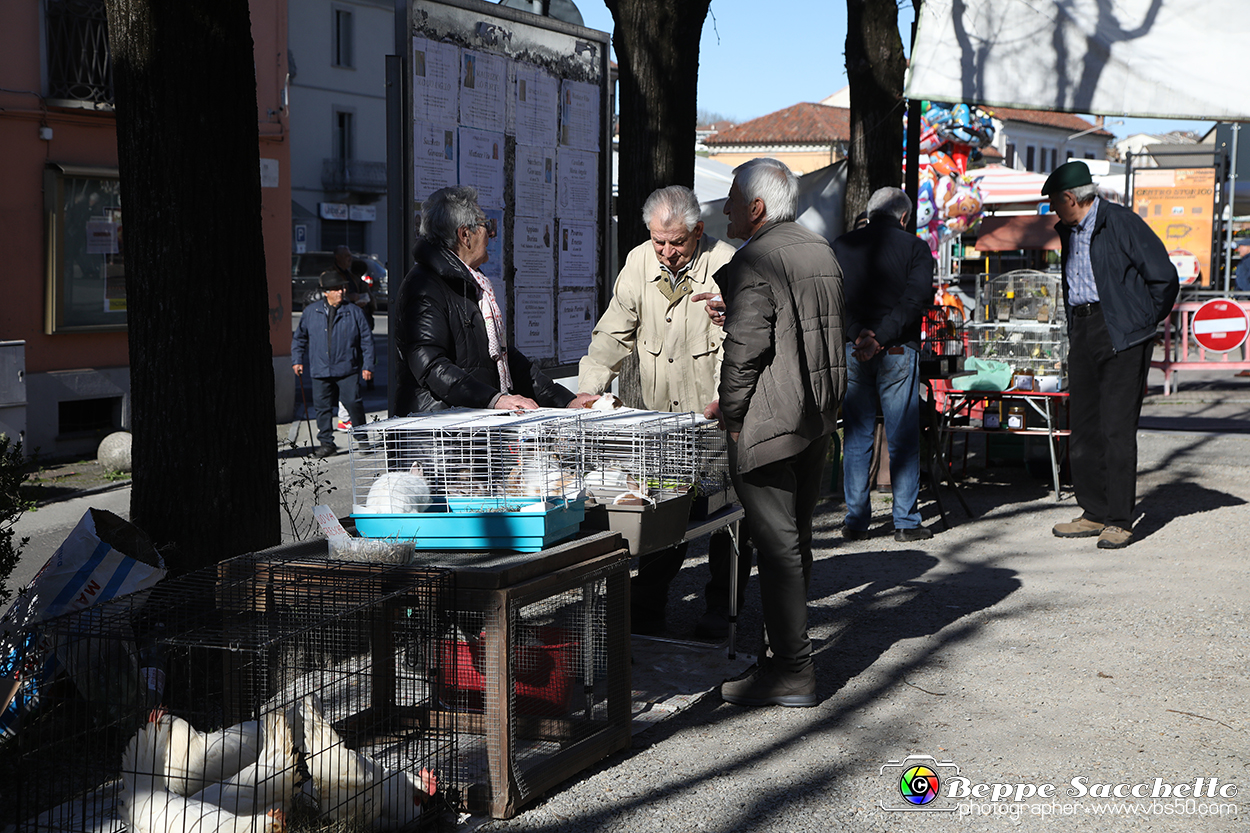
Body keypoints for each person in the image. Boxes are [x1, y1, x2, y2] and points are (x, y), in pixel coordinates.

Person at [706, 158, 845, 707]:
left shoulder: (755, 258)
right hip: (814, 415)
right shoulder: (818, 247)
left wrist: (734, 419)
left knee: (779, 547)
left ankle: (792, 670)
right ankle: (782, 661)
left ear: (757, 209)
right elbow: (801, 324)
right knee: (796, 543)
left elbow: (744, 356)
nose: (725, 209)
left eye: (734, 199)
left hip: (770, 419)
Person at [575, 185, 741, 638]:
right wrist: (590, 389)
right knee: (659, 511)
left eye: (677, 242)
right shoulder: (637, 262)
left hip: (714, 421)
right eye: (658, 241)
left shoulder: (728, 264)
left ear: (698, 232)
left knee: (727, 518)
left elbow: (738, 343)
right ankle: (647, 607)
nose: (666, 252)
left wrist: (727, 398)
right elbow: (613, 333)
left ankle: (721, 609)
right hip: (659, 424)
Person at [1042, 160, 1178, 549]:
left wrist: (1141, 321)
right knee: (1083, 427)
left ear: (1070, 198)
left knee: (1116, 429)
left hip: (1121, 332)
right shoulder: (1069, 231)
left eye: (1054, 202)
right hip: (1083, 329)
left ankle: (1119, 519)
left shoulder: (1120, 222)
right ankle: (1092, 511)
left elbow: (1164, 278)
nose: (1052, 209)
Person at [395, 185, 576, 413]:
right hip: (438, 437)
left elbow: (507, 360)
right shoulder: (424, 286)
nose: (491, 234)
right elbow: (432, 365)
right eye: (486, 225)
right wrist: (494, 399)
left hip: (470, 430)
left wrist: (567, 400)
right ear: (465, 235)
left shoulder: (472, 285)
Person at [833, 187, 936, 543]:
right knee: (902, 436)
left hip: (853, 349)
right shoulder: (916, 248)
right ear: (904, 217)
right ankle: (906, 521)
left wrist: (858, 334)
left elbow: (835, 300)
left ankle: (856, 520)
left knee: (857, 435)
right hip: (896, 351)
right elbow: (915, 300)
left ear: (870, 211)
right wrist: (880, 337)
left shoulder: (842, 245)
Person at [292, 271, 375, 458]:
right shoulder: (311, 312)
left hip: (347, 368)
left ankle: (362, 439)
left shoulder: (354, 312)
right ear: (326, 292)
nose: (341, 291)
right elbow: (299, 338)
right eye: (336, 289)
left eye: (342, 288)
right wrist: (297, 360)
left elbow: (367, 341)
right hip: (320, 369)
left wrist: (368, 365)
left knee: (353, 403)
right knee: (322, 408)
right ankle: (327, 443)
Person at [323, 245, 375, 330]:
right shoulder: (330, 275)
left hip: (355, 314)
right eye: (347, 256)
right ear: (338, 257)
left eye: (350, 255)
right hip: (340, 317)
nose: (350, 258)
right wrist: (348, 297)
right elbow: (326, 295)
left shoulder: (351, 275)